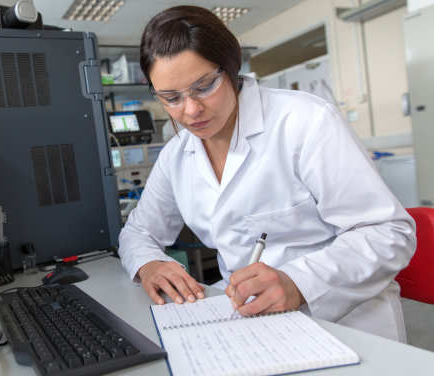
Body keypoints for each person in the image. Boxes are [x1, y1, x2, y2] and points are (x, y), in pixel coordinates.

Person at [118, 5, 416, 342]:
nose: (190, 110)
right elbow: (137, 232)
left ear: (230, 69)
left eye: (204, 86)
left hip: (347, 324)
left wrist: (299, 282)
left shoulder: (304, 121)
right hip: (249, 324)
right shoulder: (177, 154)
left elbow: (388, 232)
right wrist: (149, 265)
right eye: (171, 98)